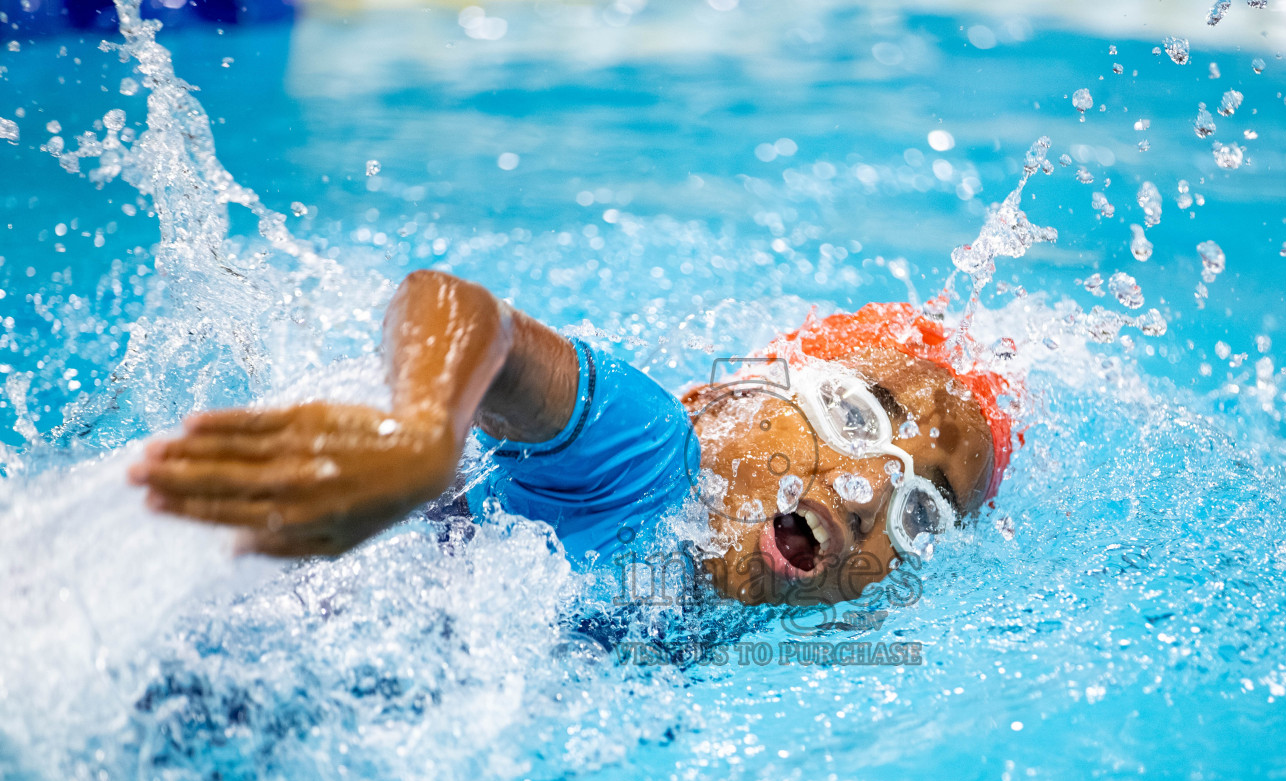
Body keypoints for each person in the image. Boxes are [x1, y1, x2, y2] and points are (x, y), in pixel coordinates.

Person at [128, 270, 1017, 606]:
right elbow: (454, 307)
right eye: (853, 417)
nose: (867, 493)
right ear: (721, 397)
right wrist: (422, 437)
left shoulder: (713, 617)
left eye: (922, 511)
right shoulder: (650, 458)